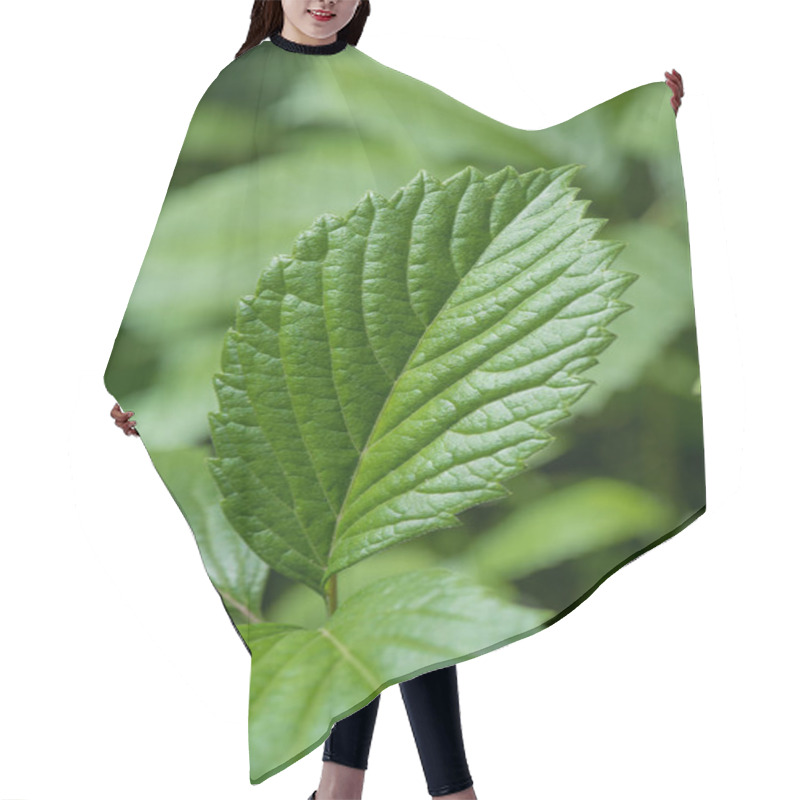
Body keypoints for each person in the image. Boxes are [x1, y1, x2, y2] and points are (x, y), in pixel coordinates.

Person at [110, 3, 685, 798]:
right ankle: (435, 791)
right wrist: (132, 386)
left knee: (379, 607)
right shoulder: (237, 84)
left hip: (386, 367)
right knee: (367, 607)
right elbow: (202, 231)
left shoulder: (373, 82)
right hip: (308, 386)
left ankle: (350, 789)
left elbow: (487, 181)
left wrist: (644, 111)